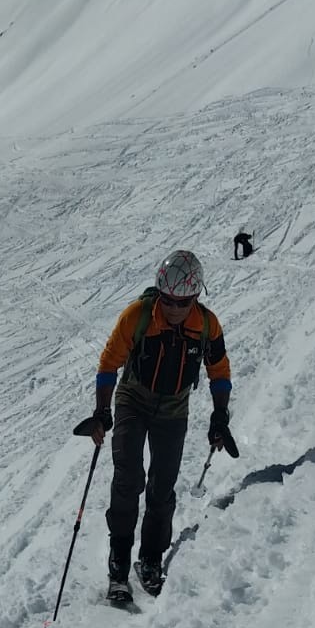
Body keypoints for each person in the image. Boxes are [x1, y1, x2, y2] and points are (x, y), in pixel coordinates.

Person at [87, 249, 235, 601]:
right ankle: (119, 559)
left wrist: (219, 415)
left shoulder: (207, 325)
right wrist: (101, 410)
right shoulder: (137, 316)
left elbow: (220, 371)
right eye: (167, 300)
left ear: (195, 298)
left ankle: (150, 560)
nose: (173, 309)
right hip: (133, 401)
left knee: (162, 487)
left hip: (173, 409)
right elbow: (109, 363)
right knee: (128, 478)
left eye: (182, 303)